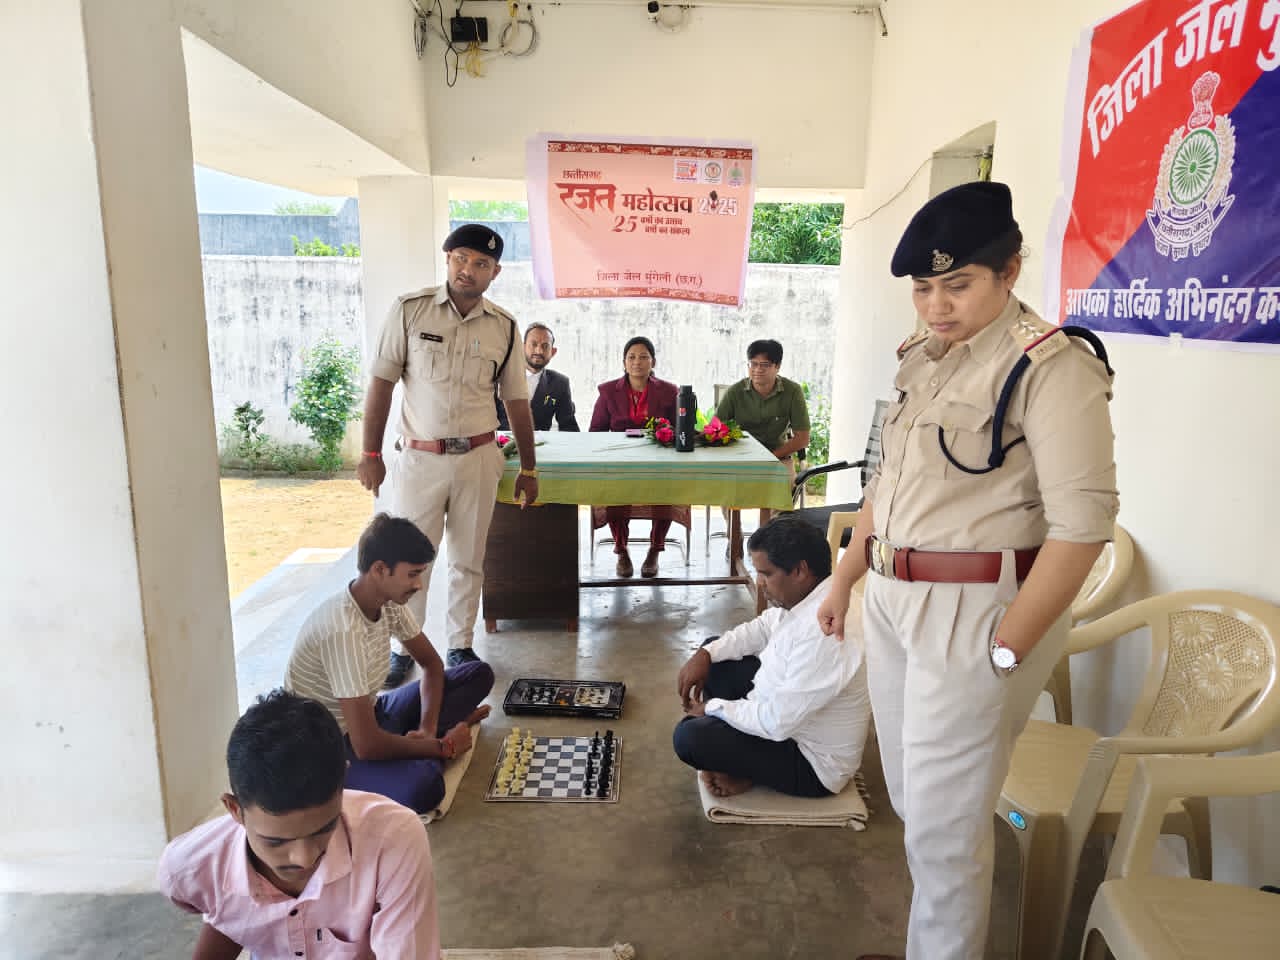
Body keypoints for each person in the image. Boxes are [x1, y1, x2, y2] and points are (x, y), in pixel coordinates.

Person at [815, 181, 1118, 960]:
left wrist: (1007, 651)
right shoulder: (925, 359)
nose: (936, 306)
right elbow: (886, 485)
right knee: (916, 802)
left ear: (1009, 270)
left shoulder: (1052, 367)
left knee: (945, 830)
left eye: (958, 284)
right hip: (893, 599)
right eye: (923, 288)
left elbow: (1083, 529)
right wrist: (846, 578)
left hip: (972, 612)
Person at [357, 223, 539, 688]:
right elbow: (381, 383)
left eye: (481, 263)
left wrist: (529, 467)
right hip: (420, 460)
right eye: (461, 259)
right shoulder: (410, 310)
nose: (468, 270)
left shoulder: (504, 327)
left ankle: (460, 643)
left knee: (468, 558)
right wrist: (370, 451)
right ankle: (404, 646)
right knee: (409, 560)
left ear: (495, 272)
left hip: (478, 458)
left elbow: (517, 400)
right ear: (448, 259)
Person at [157, 690, 441, 960]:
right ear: (235, 810)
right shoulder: (188, 865)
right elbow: (222, 914)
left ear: (343, 782)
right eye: (275, 842)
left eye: (324, 829)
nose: (304, 859)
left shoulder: (393, 839)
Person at [285, 513, 494, 815]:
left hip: (373, 714)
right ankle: (428, 747)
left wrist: (427, 730)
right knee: (424, 789)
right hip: (333, 746)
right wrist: (443, 748)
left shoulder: (387, 603)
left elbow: (432, 665)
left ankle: (415, 743)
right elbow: (366, 745)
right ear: (380, 569)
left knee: (478, 673)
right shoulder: (343, 630)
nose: (419, 585)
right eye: (412, 574)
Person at [673, 514, 870, 798]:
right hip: (785, 719)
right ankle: (740, 764)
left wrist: (714, 708)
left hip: (809, 761)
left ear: (799, 571)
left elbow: (777, 721)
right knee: (716, 655)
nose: (760, 583)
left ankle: (744, 770)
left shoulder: (827, 628)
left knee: (689, 737)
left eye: (766, 574)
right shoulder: (812, 596)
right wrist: (705, 653)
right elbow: (763, 627)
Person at [588, 335, 681, 578]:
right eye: (631, 357)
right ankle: (621, 550)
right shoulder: (608, 391)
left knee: (666, 493)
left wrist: (666, 435)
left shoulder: (669, 391)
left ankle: (655, 550)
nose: (637, 362)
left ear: (653, 362)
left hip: (658, 461)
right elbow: (596, 430)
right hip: (621, 461)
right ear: (624, 362)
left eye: (643, 357)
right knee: (615, 494)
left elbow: (680, 429)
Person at [714, 338, 811, 530]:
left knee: (782, 484)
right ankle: (734, 536)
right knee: (726, 484)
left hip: (778, 456)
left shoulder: (792, 391)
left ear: (777, 366)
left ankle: (769, 540)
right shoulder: (735, 392)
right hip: (741, 456)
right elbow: (715, 428)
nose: (757, 369)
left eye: (765, 365)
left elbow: (802, 438)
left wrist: (770, 456)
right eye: (753, 364)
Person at [495, 321, 580, 431]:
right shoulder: (499, 376)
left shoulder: (560, 383)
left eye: (545, 346)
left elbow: (569, 426)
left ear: (553, 352)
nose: (539, 351)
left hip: (540, 441)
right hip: (502, 440)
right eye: (534, 344)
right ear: (521, 347)